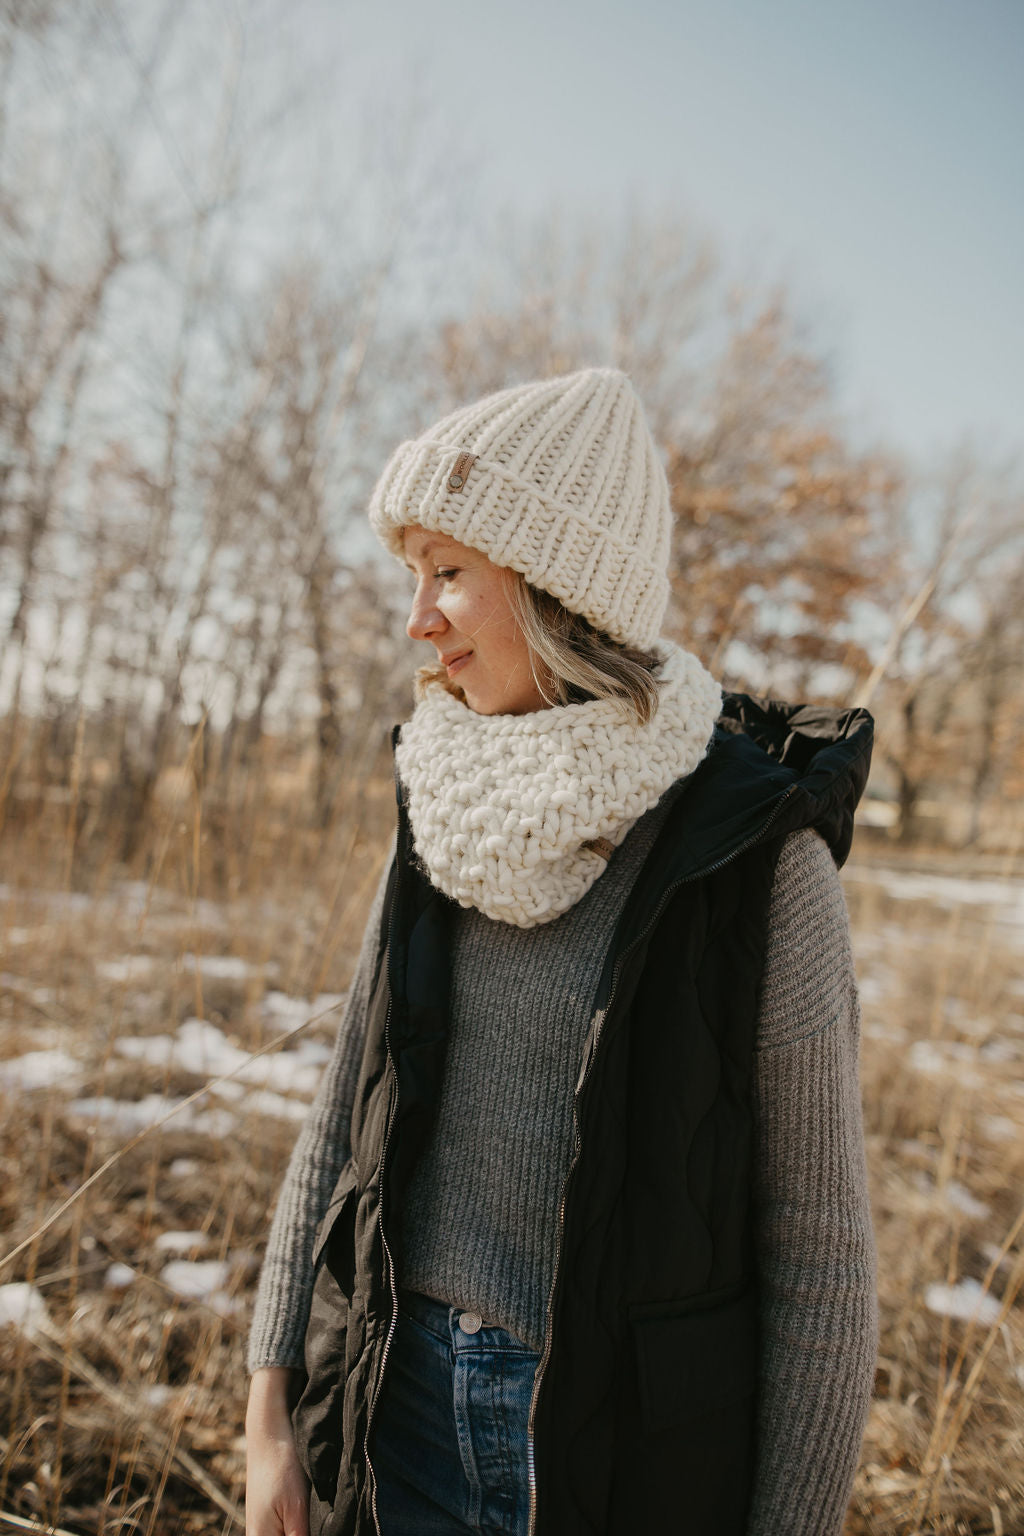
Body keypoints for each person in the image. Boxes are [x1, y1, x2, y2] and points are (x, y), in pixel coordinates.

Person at [244, 367, 878, 1536]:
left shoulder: (751, 858)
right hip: (397, 1417)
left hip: (628, 1458)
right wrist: (271, 1414)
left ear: (555, 587)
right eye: (411, 575)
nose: (415, 619)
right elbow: (340, 1120)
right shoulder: (441, 803)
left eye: (448, 573)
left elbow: (822, 1258)